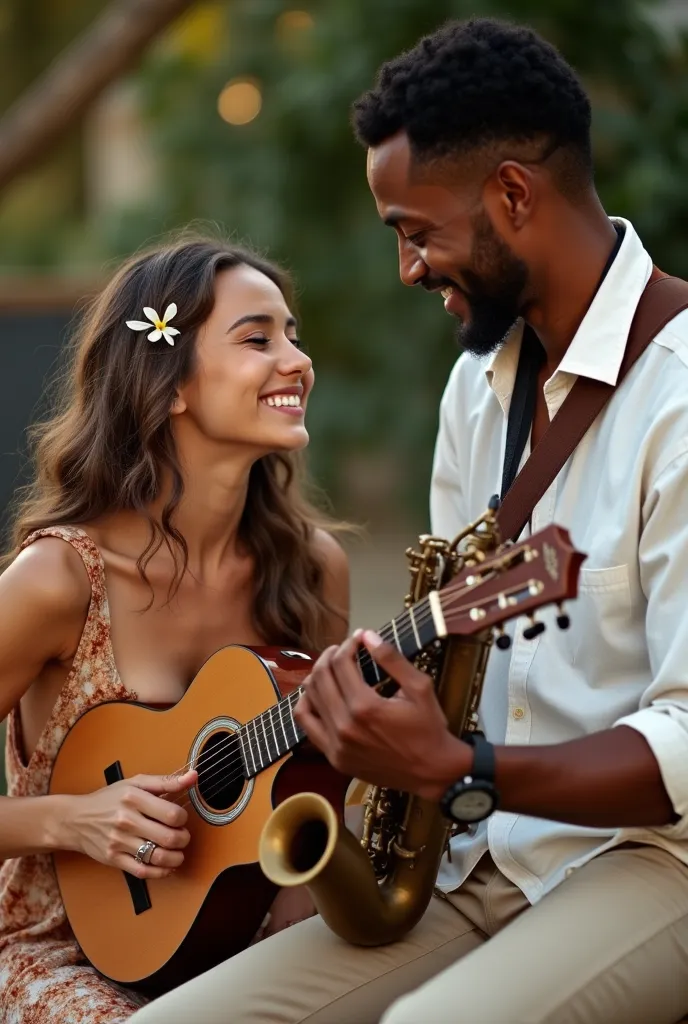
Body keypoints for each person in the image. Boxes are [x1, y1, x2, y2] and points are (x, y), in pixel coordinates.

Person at [128, 16, 688, 1024]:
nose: (408, 267)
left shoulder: (680, 395)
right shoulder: (475, 391)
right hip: (481, 854)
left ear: (512, 195)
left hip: (653, 861)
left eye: (414, 230)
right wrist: (371, 712)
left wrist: (461, 766)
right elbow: (451, 665)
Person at [0, 234, 350, 1023]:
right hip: (57, 954)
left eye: (294, 335)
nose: (296, 360)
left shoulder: (311, 570)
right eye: (258, 338)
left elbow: (322, 787)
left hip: (251, 936)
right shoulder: (60, 581)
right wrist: (73, 820)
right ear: (172, 385)